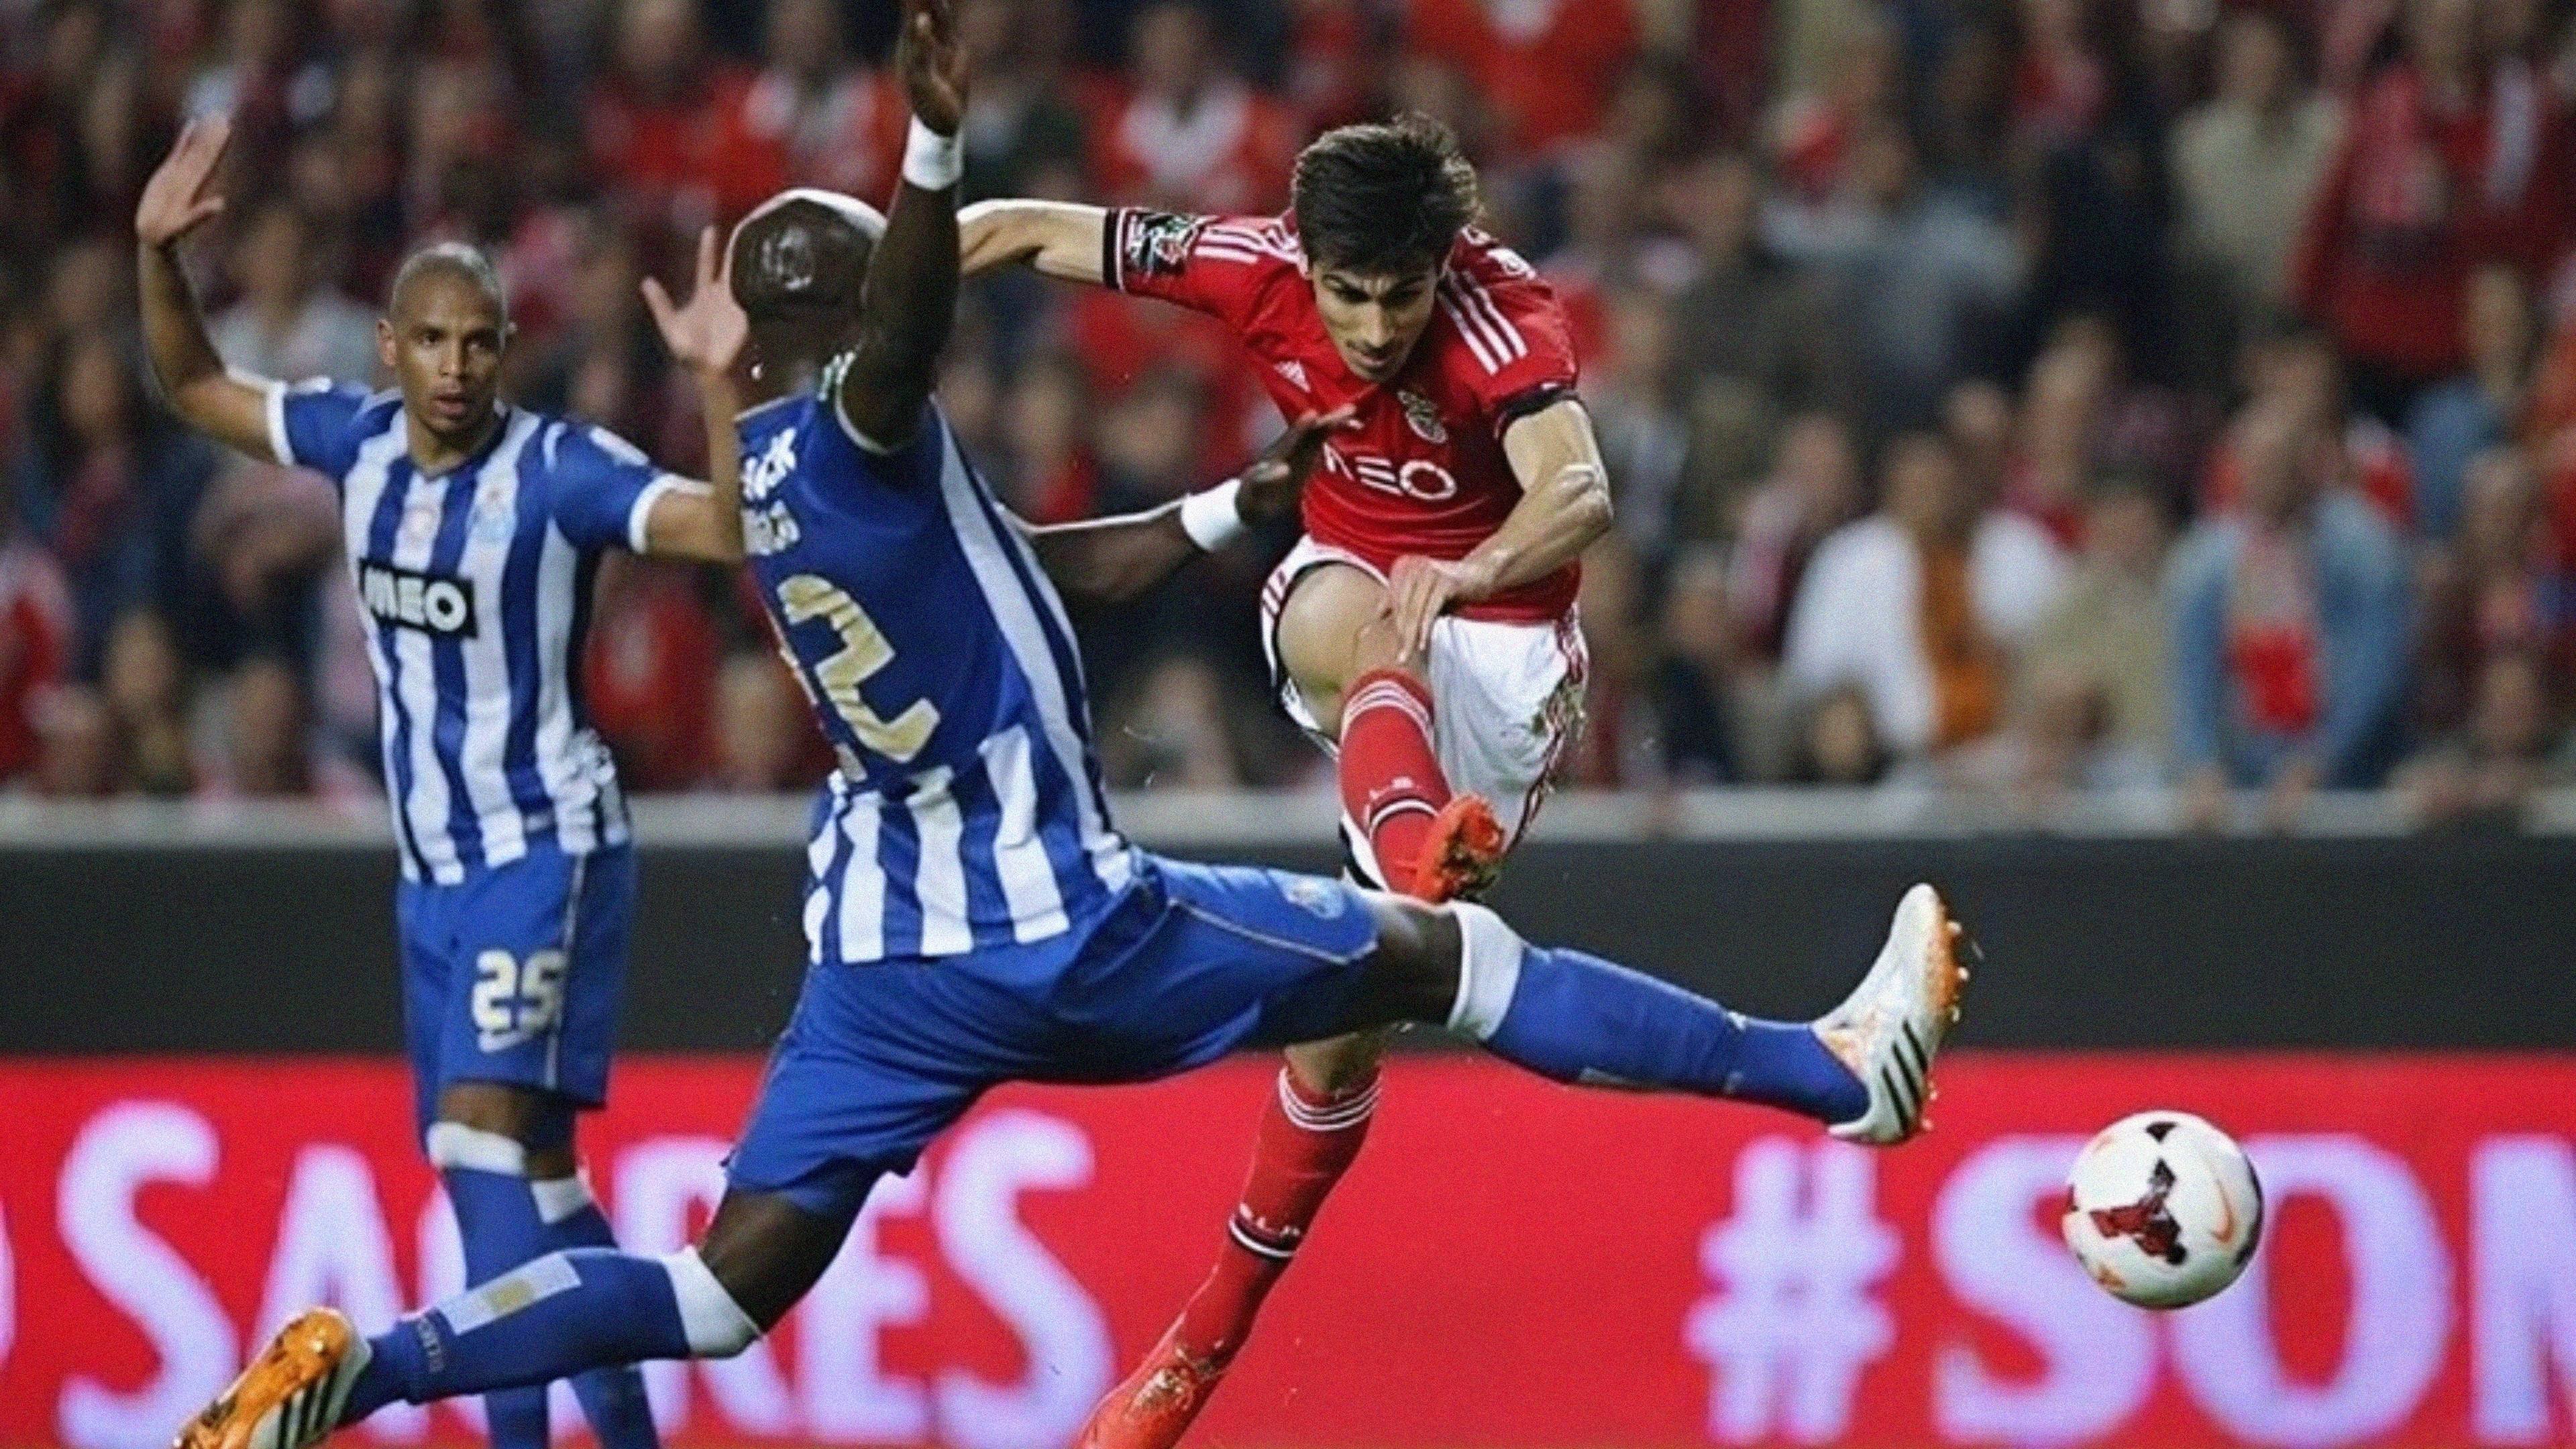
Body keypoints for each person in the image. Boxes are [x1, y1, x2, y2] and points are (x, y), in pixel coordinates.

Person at [172, 12, 1968, 1449]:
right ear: (856, 327)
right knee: (1450, 962)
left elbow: (1035, 577)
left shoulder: (772, 494)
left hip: (877, 965)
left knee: (719, 1297)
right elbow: (909, 325)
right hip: (1063, 922)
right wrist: (938, 156)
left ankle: (381, 1366)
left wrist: (1225, 514)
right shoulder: (870, 426)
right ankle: (1832, 1073)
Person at [958, 111, 1616, 1438]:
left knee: (1336, 1042)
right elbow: (1013, 227)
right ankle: (1425, 842)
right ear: (1307, 261)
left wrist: (1476, 567)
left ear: (1444, 267)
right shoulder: (1248, 262)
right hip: (1363, 625)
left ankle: (1209, 1332)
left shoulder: (1499, 319)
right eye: (1349, 294)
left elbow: (1581, 487)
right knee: (1342, 608)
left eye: (1401, 294)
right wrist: (873, 304)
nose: (1374, 327)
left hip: (1503, 658)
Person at [136, 109, 753, 1449]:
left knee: (479, 1145)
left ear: (506, 350)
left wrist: (716, 380)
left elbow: (721, 523)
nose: (458, 367)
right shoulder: (352, 445)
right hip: (432, 871)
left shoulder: (559, 472)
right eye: (433, 341)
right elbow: (192, 387)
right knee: (535, 1173)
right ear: (390, 347)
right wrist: (155, 257)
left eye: (480, 342)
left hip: (547, 845)